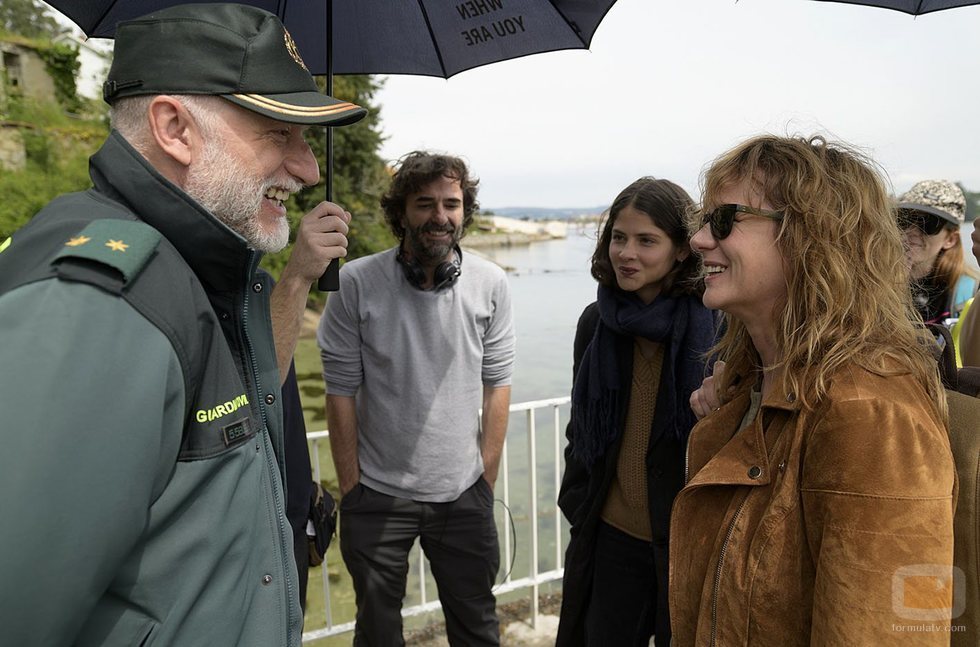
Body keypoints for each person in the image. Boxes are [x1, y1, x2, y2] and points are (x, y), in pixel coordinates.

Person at [0, 5, 366, 646]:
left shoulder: (213, 274)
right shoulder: (99, 303)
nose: (307, 168)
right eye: (280, 132)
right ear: (174, 127)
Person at [673, 135, 956, 646]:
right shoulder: (749, 382)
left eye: (724, 220)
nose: (697, 240)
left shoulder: (871, 414)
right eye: (701, 220)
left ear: (808, 237)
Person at [318, 151, 516, 645]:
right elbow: (339, 392)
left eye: (451, 203)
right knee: (379, 632)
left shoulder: (491, 283)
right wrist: (352, 488)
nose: (439, 216)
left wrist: (483, 481)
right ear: (401, 212)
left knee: (477, 630)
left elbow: (499, 385)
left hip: (464, 494)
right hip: (378, 495)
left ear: (464, 210)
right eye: (425, 203)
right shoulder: (354, 283)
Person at [554, 178, 714, 646]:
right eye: (619, 237)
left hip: (685, 547)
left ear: (682, 249)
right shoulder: (596, 322)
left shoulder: (718, 324)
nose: (627, 253)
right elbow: (581, 429)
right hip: (610, 541)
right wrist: (579, 505)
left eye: (647, 241)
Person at [896, 179, 978, 328]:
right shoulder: (876, 285)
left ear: (950, 239)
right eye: (905, 219)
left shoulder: (969, 295)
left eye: (928, 223)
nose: (911, 231)